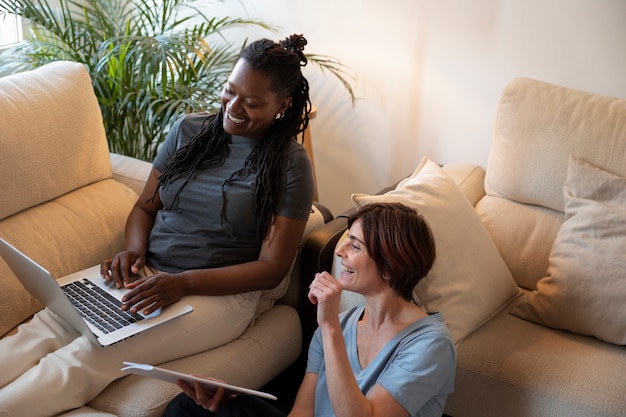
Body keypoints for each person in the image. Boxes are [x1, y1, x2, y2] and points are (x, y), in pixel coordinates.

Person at [0, 34, 315, 417]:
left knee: (89, 355)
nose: (233, 107)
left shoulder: (290, 163)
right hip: (149, 273)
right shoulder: (189, 131)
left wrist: (181, 283)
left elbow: (272, 270)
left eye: (252, 102)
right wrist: (133, 251)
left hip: (219, 295)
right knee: (46, 327)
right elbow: (145, 209)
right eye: (229, 92)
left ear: (282, 105)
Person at [164, 202, 457, 417]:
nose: (340, 252)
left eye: (355, 247)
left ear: (391, 267)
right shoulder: (338, 325)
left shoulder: (430, 345)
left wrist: (329, 326)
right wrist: (236, 402)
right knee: (191, 406)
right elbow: (302, 413)